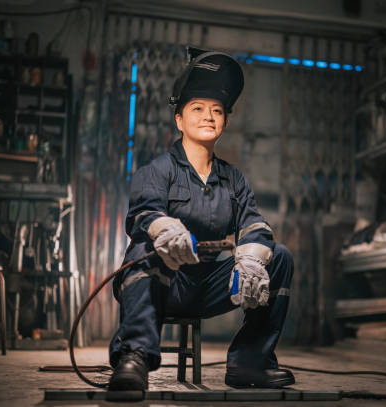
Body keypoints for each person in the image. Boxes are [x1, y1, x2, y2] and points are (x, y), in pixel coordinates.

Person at [108, 48, 295, 392]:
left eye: (217, 111)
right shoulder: (157, 170)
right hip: (164, 285)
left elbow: (254, 223)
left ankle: (250, 363)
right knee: (143, 249)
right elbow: (143, 213)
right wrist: (165, 230)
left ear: (224, 121)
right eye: (197, 109)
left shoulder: (233, 179)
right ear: (178, 119)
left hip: (209, 285)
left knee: (279, 256)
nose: (208, 116)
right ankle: (133, 357)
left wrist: (252, 259)